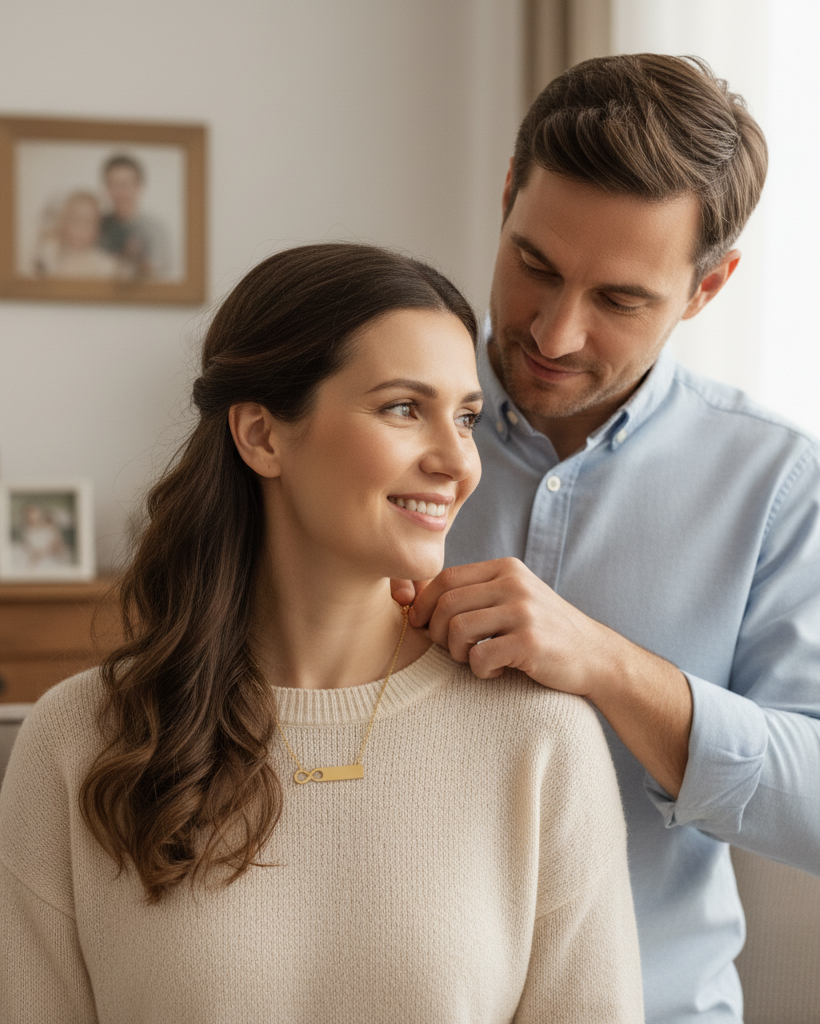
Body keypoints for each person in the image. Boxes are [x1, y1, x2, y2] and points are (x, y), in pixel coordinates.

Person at [0, 242, 643, 1023]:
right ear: (262, 435)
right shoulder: (77, 738)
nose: (456, 461)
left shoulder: (540, 737)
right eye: (404, 408)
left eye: (466, 417)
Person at [391, 54, 820, 1023]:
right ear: (506, 194)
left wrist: (607, 665)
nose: (552, 330)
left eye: (618, 300)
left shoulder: (778, 483)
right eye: (532, 264)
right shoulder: (372, 423)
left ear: (708, 289)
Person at [98, 154, 171, 280]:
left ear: (139, 186)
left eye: (124, 184)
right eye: (113, 184)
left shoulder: (155, 229)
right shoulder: (97, 225)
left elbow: (159, 275)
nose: (119, 192)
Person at [32, 190, 121, 279]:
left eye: (88, 223)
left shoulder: (104, 264)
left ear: (98, 230)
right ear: (63, 223)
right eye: (76, 220)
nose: (81, 229)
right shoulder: (52, 256)